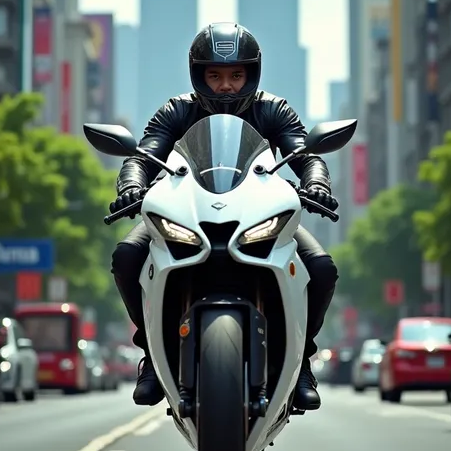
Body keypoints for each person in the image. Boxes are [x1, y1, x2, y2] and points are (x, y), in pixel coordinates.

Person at [110, 23, 339, 411]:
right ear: (199, 75)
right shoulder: (176, 110)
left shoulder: (274, 109)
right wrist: (131, 185)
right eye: (215, 76)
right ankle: (150, 354)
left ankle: (301, 364)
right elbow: (142, 154)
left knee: (321, 268)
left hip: (260, 216)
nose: (226, 85)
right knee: (126, 257)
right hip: (184, 214)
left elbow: (305, 154)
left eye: (236, 75)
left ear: (251, 74)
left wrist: (316, 182)